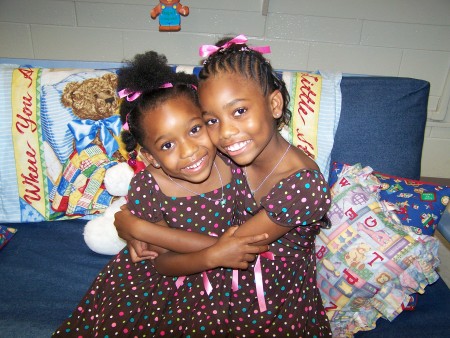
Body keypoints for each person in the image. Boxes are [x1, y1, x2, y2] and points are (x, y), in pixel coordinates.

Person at [115, 35, 333, 337]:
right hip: (220, 273)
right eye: (212, 121)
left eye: (239, 111)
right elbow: (168, 179)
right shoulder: (233, 153)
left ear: (274, 103)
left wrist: (138, 229)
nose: (227, 133)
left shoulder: (303, 185)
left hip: (271, 292)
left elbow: (235, 246)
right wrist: (137, 218)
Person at [52, 50, 269, 337]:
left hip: (230, 275)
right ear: (149, 156)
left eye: (195, 129)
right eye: (167, 145)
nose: (189, 151)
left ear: (209, 120)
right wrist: (213, 256)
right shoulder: (148, 187)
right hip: (165, 280)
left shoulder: (234, 161)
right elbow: (163, 262)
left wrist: (135, 227)